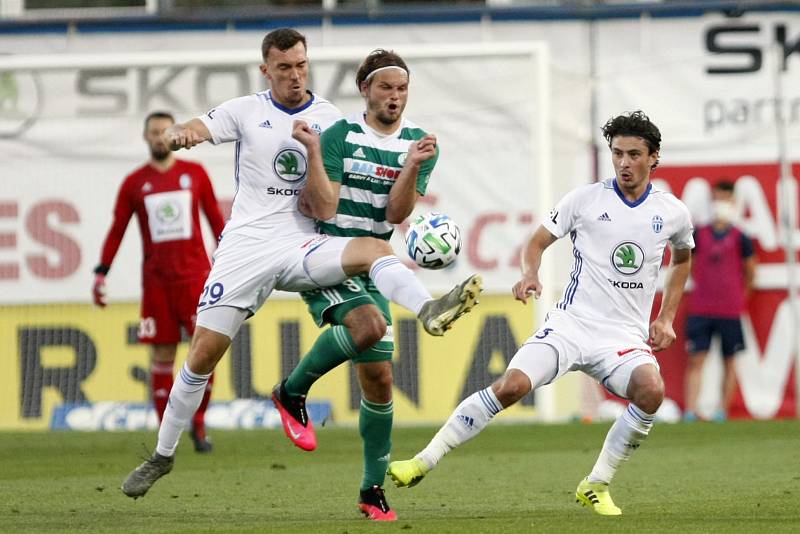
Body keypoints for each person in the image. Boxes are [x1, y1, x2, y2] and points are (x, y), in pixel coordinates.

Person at [121, 28, 481, 500]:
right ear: (266, 69)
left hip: (305, 243)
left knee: (375, 250)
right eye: (285, 68)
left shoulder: (329, 119)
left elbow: (356, 198)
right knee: (203, 353)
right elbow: (198, 126)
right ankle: (163, 455)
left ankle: (428, 309)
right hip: (247, 246)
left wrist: (407, 199)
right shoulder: (246, 110)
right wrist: (179, 133)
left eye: (302, 66)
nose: (295, 76)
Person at [388, 110, 694, 516]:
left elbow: (683, 257)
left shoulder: (672, 211)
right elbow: (535, 243)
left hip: (622, 336)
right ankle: (423, 460)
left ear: (653, 157)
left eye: (634, 154)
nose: (624, 163)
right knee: (511, 386)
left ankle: (597, 483)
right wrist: (529, 275)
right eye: (617, 153)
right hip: (571, 325)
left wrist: (666, 316)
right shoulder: (584, 200)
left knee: (652, 391)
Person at [269, 49, 438, 521]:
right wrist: (317, 153)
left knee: (380, 381)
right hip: (327, 257)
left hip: (374, 265)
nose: (394, 97)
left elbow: (396, 216)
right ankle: (291, 391)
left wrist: (410, 165)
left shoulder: (419, 144)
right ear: (365, 89)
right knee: (368, 325)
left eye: (401, 89)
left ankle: (371, 491)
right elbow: (323, 208)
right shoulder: (341, 135)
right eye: (385, 87)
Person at [93, 110, 225, 453]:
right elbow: (118, 229)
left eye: (165, 131)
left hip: (195, 279)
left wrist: (229, 264)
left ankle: (198, 424)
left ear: (175, 134)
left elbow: (216, 221)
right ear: (145, 137)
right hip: (157, 284)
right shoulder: (135, 182)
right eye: (153, 132)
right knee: (162, 355)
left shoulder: (194, 174)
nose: (159, 137)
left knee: (202, 355)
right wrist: (101, 271)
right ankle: (167, 432)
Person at [683, 181, 755, 422]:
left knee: (729, 360)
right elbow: (686, 264)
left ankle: (721, 411)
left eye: (725, 199)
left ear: (733, 202)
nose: (720, 204)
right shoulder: (699, 234)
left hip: (730, 311)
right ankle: (691, 411)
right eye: (717, 199)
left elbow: (751, 271)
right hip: (701, 308)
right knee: (696, 359)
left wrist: (738, 297)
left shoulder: (741, 238)